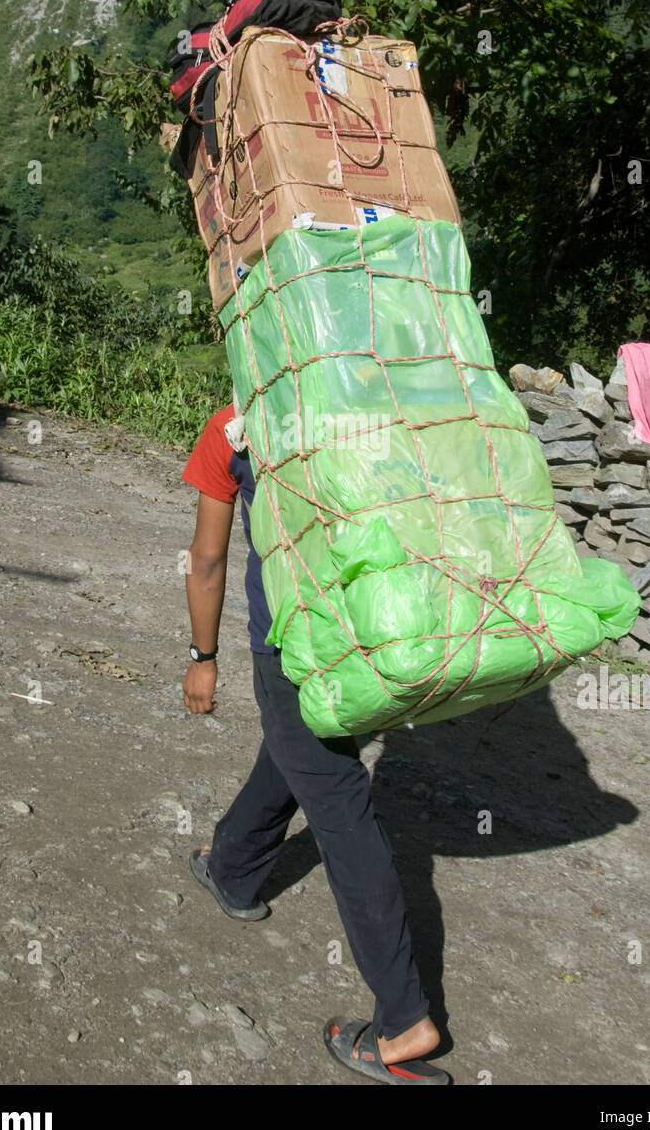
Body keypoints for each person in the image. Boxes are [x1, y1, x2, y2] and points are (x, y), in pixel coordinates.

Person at [181, 400, 450, 1084]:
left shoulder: (234, 425)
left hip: (292, 643)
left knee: (338, 803)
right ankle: (234, 866)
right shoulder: (379, 405)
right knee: (303, 750)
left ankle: (404, 1021)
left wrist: (201, 654)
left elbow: (208, 559)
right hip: (375, 637)